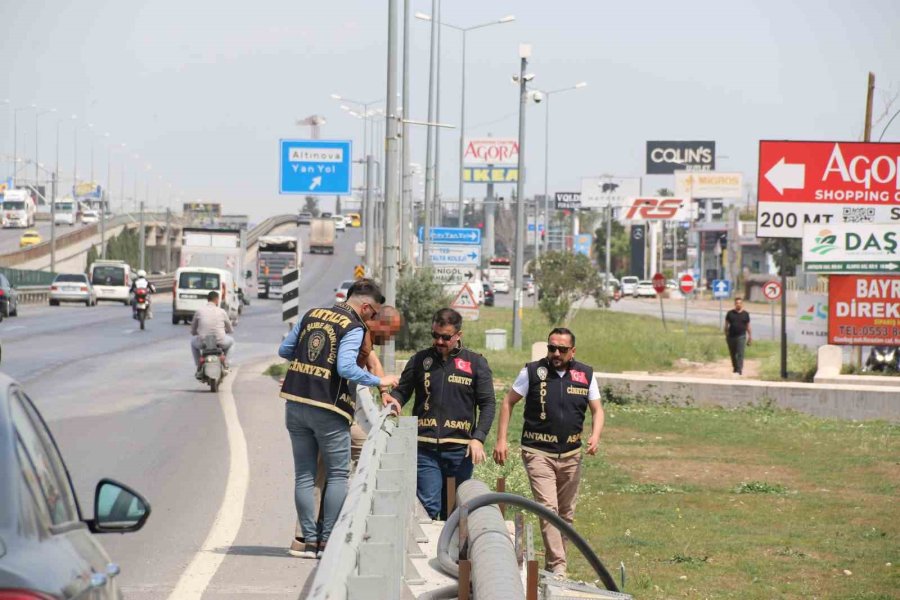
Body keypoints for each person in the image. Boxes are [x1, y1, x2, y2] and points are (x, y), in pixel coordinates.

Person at [278, 279, 399, 559]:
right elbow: (345, 367)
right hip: (328, 408)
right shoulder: (353, 325)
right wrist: (379, 381)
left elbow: (285, 351)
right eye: (373, 313)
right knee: (337, 474)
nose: (372, 318)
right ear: (366, 306)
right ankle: (327, 541)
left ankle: (308, 541)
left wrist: (310, 364)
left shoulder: (312, 314)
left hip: (295, 402)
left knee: (304, 475)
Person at [493, 327, 604, 578]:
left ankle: (552, 568)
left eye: (562, 349)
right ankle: (560, 567)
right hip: (537, 451)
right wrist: (501, 440)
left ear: (572, 351)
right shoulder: (532, 371)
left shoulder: (585, 374)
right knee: (548, 509)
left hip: (571, 455)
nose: (555, 353)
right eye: (551, 347)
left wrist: (595, 435)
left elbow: (597, 410)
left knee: (566, 515)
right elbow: (508, 401)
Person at [383, 308, 495, 520]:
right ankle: (427, 551)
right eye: (435, 336)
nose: (439, 342)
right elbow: (403, 391)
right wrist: (394, 400)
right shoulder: (419, 360)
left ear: (458, 335)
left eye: (445, 337)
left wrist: (478, 439)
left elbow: (488, 404)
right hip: (425, 447)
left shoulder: (476, 363)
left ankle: (448, 552)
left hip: (460, 451)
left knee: (454, 510)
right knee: (428, 506)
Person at [190, 290, 235, 374]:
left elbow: (193, 330)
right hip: (220, 341)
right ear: (217, 300)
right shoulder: (222, 311)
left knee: (193, 342)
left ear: (208, 299)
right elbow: (230, 329)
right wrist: (228, 330)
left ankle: (199, 365)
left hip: (203, 342)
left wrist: (197, 332)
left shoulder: (199, 311)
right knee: (231, 342)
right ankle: (226, 364)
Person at [724, 297, 751, 376]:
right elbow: (726, 325)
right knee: (733, 354)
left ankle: (739, 370)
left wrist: (750, 337)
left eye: (739, 303)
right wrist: (726, 335)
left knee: (740, 353)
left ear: (742, 304)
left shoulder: (746, 314)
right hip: (731, 336)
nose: (738, 304)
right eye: (736, 303)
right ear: (735, 304)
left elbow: (748, 326)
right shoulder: (730, 313)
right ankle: (735, 368)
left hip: (741, 336)